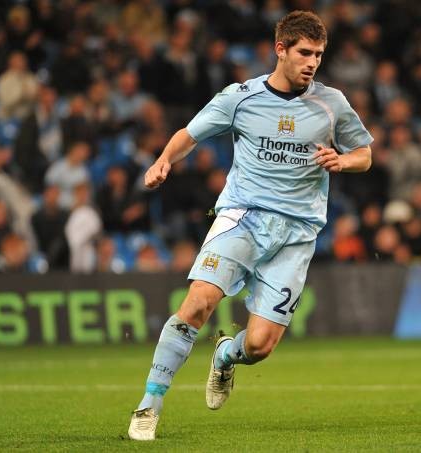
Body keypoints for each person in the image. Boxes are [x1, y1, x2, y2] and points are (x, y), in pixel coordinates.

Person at [128, 11, 373, 441]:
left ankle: (226, 353)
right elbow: (190, 133)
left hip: (297, 234)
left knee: (259, 346)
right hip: (243, 217)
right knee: (199, 302)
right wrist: (164, 159)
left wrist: (344, 161)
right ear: (280, 49)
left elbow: (365, 154)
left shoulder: (332, 103)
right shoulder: (240, 98)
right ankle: (149, 404)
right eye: (304, 53)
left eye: (318, 54)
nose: (312, 62)